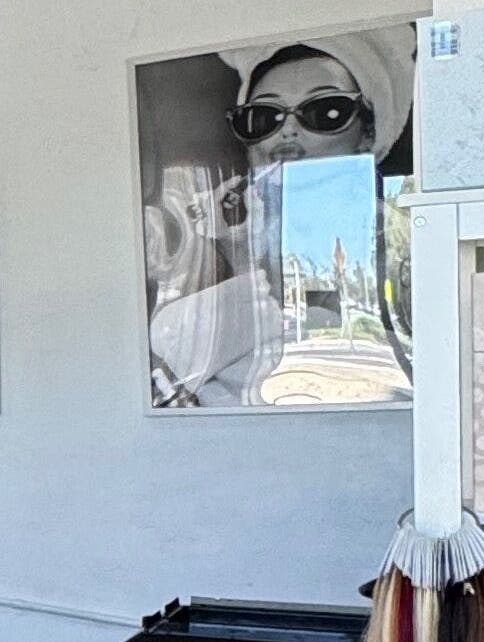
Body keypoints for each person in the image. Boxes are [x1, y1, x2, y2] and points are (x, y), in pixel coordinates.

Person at [145, 32, 415, 407]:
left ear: (367, 133)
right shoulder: (203, 233)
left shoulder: (404, 234)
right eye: (264, 118)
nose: (288, 131)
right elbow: (170, 348)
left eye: (325, 112)